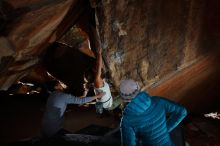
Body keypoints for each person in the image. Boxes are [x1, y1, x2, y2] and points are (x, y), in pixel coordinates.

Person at [119, 79, 187, 146]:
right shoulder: (159, 101)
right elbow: (182, 112)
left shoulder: (126, 120)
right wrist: (166, 129)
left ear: (124, 99)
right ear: (138, 88)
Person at [93, 47, 113, 113]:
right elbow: (98, 65)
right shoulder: (97, 81)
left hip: (106, 104)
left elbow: (99, 68)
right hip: (108, 105)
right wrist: (99, 54)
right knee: (124, 96)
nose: (96, 70)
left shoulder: (99, 82)